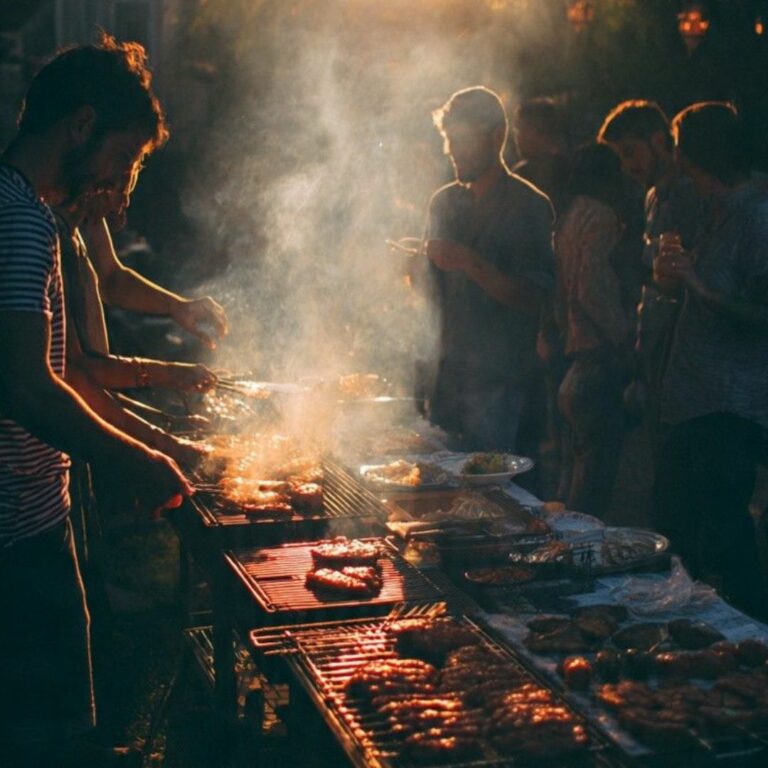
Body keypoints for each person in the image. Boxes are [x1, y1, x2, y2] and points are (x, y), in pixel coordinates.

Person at [0, 36, 192, 767]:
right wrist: (137, 459)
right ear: (79, 125)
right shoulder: (21, 221)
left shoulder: (20, 209)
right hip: (18, 537)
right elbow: (25, 383)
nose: (120, 178)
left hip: (31, 522)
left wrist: (147, 440)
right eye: (122, 157)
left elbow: (57, 370)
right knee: (50, 744)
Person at [653, 102, 768, 618]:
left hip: (729, 406)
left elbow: (761, 312)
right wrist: (673, 280)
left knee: (722, 530)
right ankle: (696, 633)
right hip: (690, 399)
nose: (674, 159)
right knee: (679, 530)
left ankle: (749, 643)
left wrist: (698, 283)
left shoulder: (757, 214)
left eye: (679, 147)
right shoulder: (711, 210)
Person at [422, 86, 555, 452]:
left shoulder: (529, 206)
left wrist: (470, 262)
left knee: (506, 499)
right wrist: (410, 268)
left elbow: (534, 298)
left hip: (505, 388)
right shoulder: (445, 202)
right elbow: (430, 296)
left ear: (497, 138)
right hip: (449, 383)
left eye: (463, 140)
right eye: (449, 140)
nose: (453, 151)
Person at [598, 100, 706, 453]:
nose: (629, 166)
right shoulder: (651, 197)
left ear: (660, 140)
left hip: (689, 349)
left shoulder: (693, 193)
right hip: (657, 346)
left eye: (631, 152)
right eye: (620, 159)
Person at [555, 143, 632, 518]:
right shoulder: (601, 216)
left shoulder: (570, 216)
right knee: (593, 489)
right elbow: (592, 287)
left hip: (573, 360)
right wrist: (624, 338)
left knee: (574, 475)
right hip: (597, 360)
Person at [512, 96, 569, 215]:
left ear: (534, 131)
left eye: (520, 129)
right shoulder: (571, 169)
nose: (517, 137)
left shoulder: (519, 177)